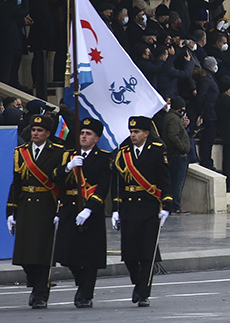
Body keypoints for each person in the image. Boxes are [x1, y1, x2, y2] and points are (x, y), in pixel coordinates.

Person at [111, 116, 173, 308]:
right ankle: (138, 282)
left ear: (146, 133)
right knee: (129, 254)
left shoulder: (156, 150)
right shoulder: (124, 153)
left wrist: (167, 205)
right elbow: (118, 182)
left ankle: (144, 293)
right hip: (129, 206)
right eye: (131, 132)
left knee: (147, 253)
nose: (133, 135)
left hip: (148, 206)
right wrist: (115, 208)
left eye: (136, 132)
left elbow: (165, 179)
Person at [53, 118, 112, 308]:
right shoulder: (68, 155)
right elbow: (54, 178)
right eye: (82, 133)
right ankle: (81, 282)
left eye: (88, 134)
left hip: (91, 210)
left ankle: (86, 293)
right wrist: (68, 167)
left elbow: (103, 187)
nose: (84, 136)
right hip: (69, 208)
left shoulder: (104, 157)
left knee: (90, 255)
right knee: (66, 253)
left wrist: (89, 209)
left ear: (96, 138)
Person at [6, 115, 63, 309]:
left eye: (39, 130)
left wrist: (59, 210)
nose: (35, 133)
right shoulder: (21, 152)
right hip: (25, 205)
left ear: (48, 133)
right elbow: (16, 183)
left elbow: (61, 183)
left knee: (42, 252)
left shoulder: (57, 152)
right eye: (33, 130)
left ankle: (41, 293)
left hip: (46, 204)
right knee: (25, 253)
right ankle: (34, 283)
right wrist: (10, 211)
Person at [160, 97, 190, 214]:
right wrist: (182, 149)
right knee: (177, 182)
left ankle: (174, 205)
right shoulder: (173, 119)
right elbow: (173, 136)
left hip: (176, 154)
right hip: (177, 155)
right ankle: (175, 206)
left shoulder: (174, 118)